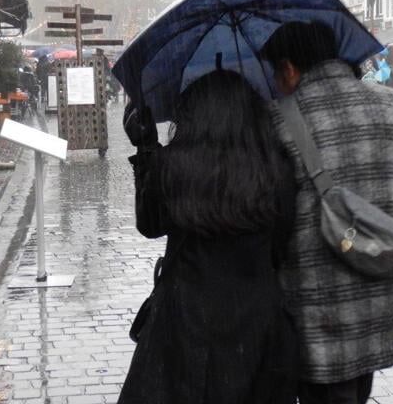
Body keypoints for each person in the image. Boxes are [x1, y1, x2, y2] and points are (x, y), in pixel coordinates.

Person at [260, 21, 393, 404]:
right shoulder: (390, 104)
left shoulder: (278, 119)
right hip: (376, 276)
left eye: (275, 72)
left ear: (288, 68)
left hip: (319, 300)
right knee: (357, 390)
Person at [119, 70, 299, 404]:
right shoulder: (276, 169)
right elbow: (283, 245)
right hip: (258, 324)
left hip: (184, 319)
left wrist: (146, 147)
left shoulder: (171, 166)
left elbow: (150, 225)